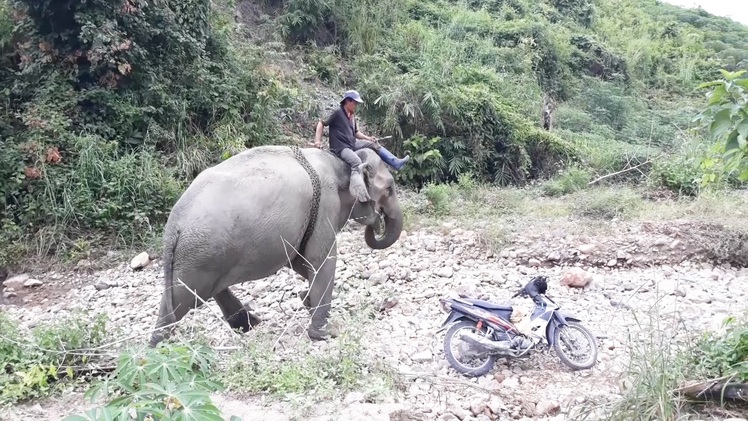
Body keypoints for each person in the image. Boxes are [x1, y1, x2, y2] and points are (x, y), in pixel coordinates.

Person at [314, 90, 410, 202]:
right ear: (347, 101)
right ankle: (357, 190)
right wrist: (317, 141)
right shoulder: (337, 112)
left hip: (352, 143)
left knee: (373, 144)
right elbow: (321, 123)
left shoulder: (352, 115)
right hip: (340, 147)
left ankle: (395, 162)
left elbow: (356, 133)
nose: (356, 105)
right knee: (356, 162)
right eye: (355, 103)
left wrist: (368, 138)